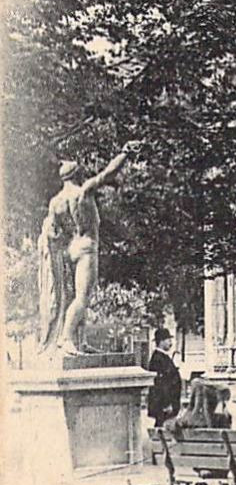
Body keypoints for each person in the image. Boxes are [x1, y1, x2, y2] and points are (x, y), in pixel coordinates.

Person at [38, 142, 135, 356]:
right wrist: (125, 152)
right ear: (77, 174)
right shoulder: (84, 191)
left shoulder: (56, 202)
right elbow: (108, 173)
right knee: (83, 297)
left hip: (70, 250)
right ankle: (66, 338)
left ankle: (79, 342)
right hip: (87, 248)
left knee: (73, 297)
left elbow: (53, 231)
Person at [144, 327, 182, 427]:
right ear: (161, 341)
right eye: (168, 340)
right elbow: (161, 383)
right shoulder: (158, 359)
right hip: (163, 404)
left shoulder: (163, 357)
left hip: (166, 403)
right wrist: (167, 403)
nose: (171, 342)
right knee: (162, 427)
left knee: (162, 427)